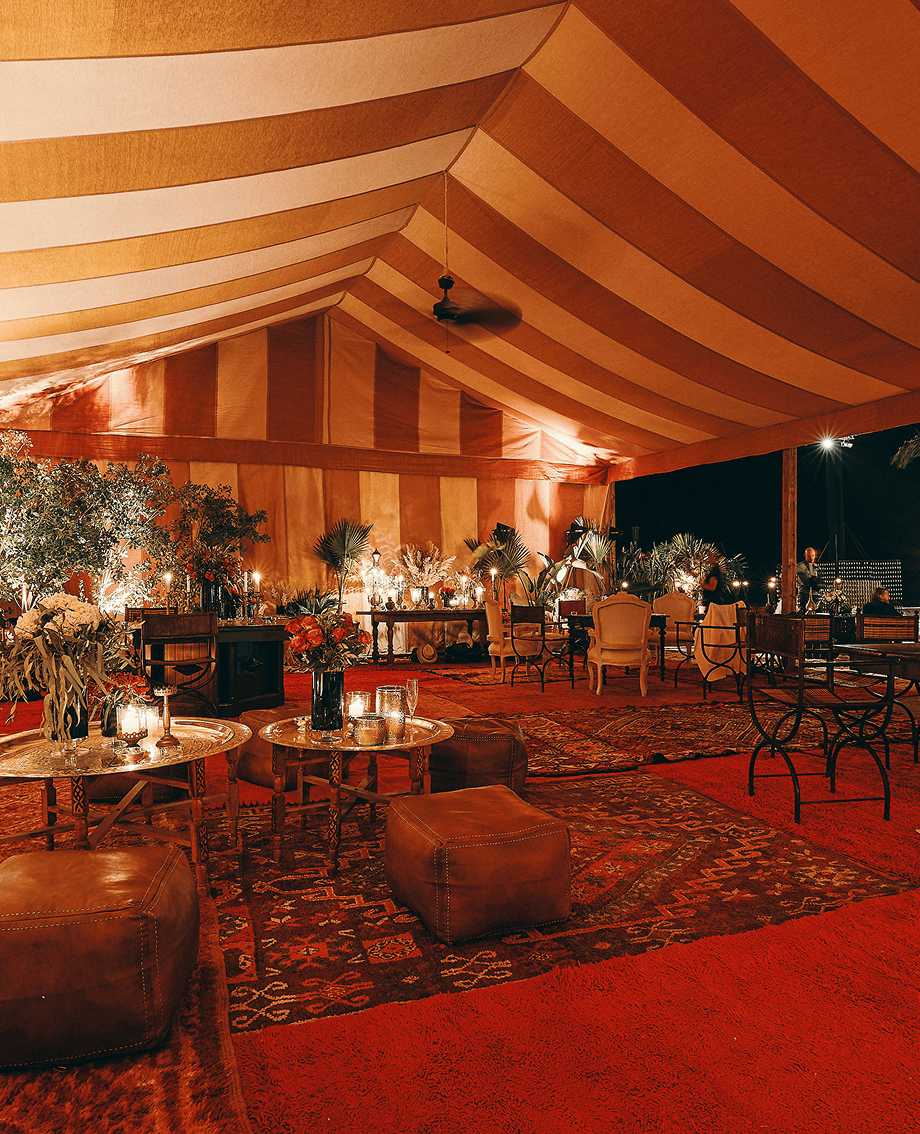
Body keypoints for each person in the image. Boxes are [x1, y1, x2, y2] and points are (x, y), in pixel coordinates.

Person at [796, 547, 823, 612]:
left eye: (813, 556)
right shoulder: (800, 566)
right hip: (805, 594)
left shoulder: (817, 567)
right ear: (805, 556)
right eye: (809, 556)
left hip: (815, 595)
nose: (811, 558)